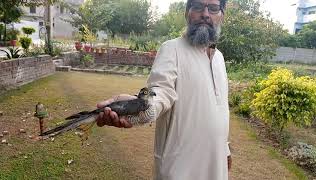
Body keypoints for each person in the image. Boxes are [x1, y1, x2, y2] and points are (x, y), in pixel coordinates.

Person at [96, 0, 231, 179]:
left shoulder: (219, 58)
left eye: (213, 8)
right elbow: (161, 92)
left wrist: (225, 148)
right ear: (187, 12)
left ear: (221, 15)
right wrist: (142, 107)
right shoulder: (172, 49)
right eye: (198, 7)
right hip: (179, 169)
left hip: (216, 166)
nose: (205, 14)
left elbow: (220, 109)